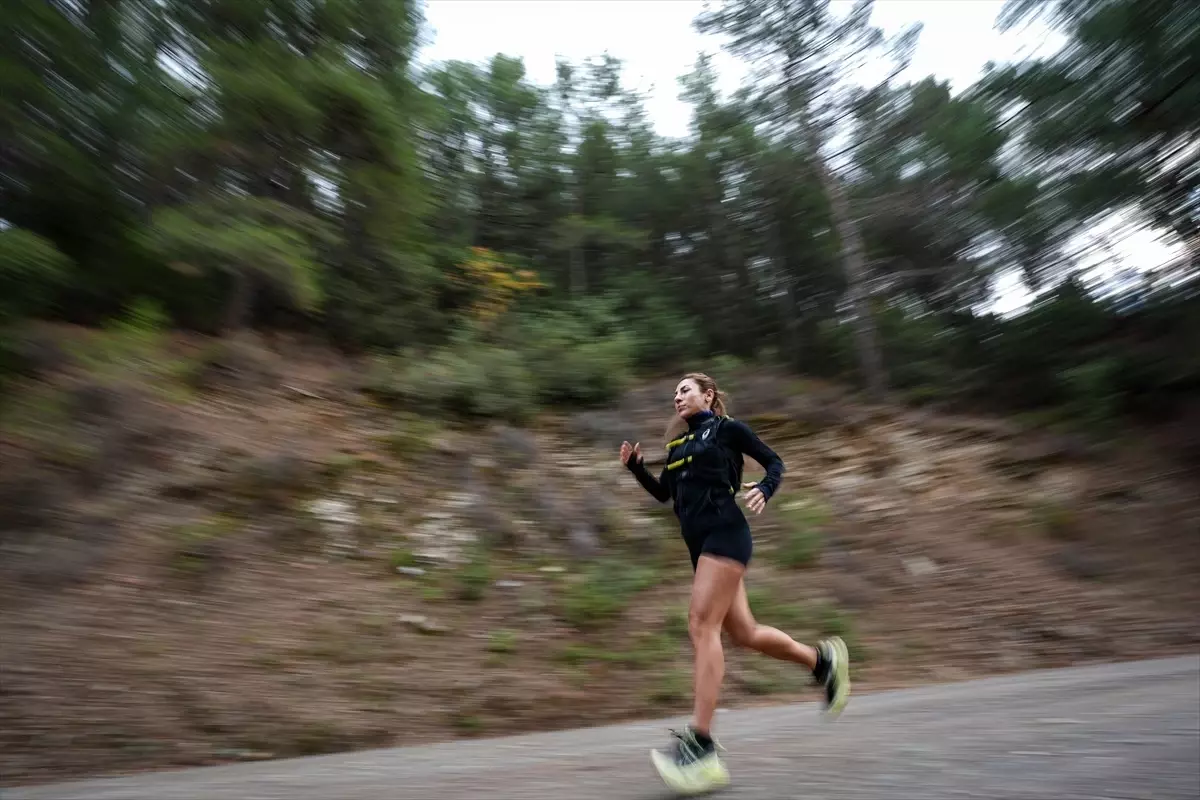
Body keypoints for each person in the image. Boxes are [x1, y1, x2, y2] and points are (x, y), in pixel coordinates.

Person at [620, 372, 850, 794]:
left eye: (685, 390)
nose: (677, 396)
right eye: (674, 393)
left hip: (726, 534)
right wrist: (637, 469)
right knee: (744, 633)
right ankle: (822, 662)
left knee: (700, 624)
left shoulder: (729, 430)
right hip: (701, 546)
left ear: (708, 395)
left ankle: (700, 746)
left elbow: (775, 462)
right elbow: (664, 496)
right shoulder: (677, 446)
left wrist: (765, 487)